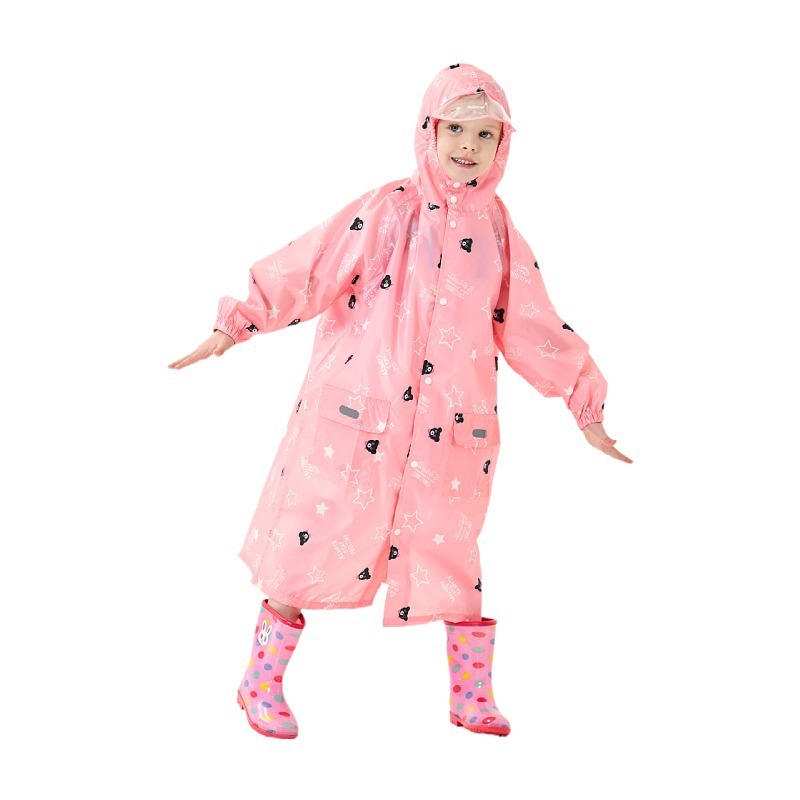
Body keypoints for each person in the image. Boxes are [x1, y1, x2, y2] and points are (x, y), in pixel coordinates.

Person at [168, 63, 632, 739]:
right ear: (429, 130)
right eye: (457, 129)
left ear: (503, 146)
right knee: (304, 549)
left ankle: (471, 696)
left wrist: (583, 402)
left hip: (451, 432)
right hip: (357, 423)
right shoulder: (389, 208)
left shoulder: (498, 230)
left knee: (451, 557)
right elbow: (312, 266)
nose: (469, 145)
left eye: (486, 134)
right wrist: (237, 323)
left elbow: (531, 322)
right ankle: (259, 681)